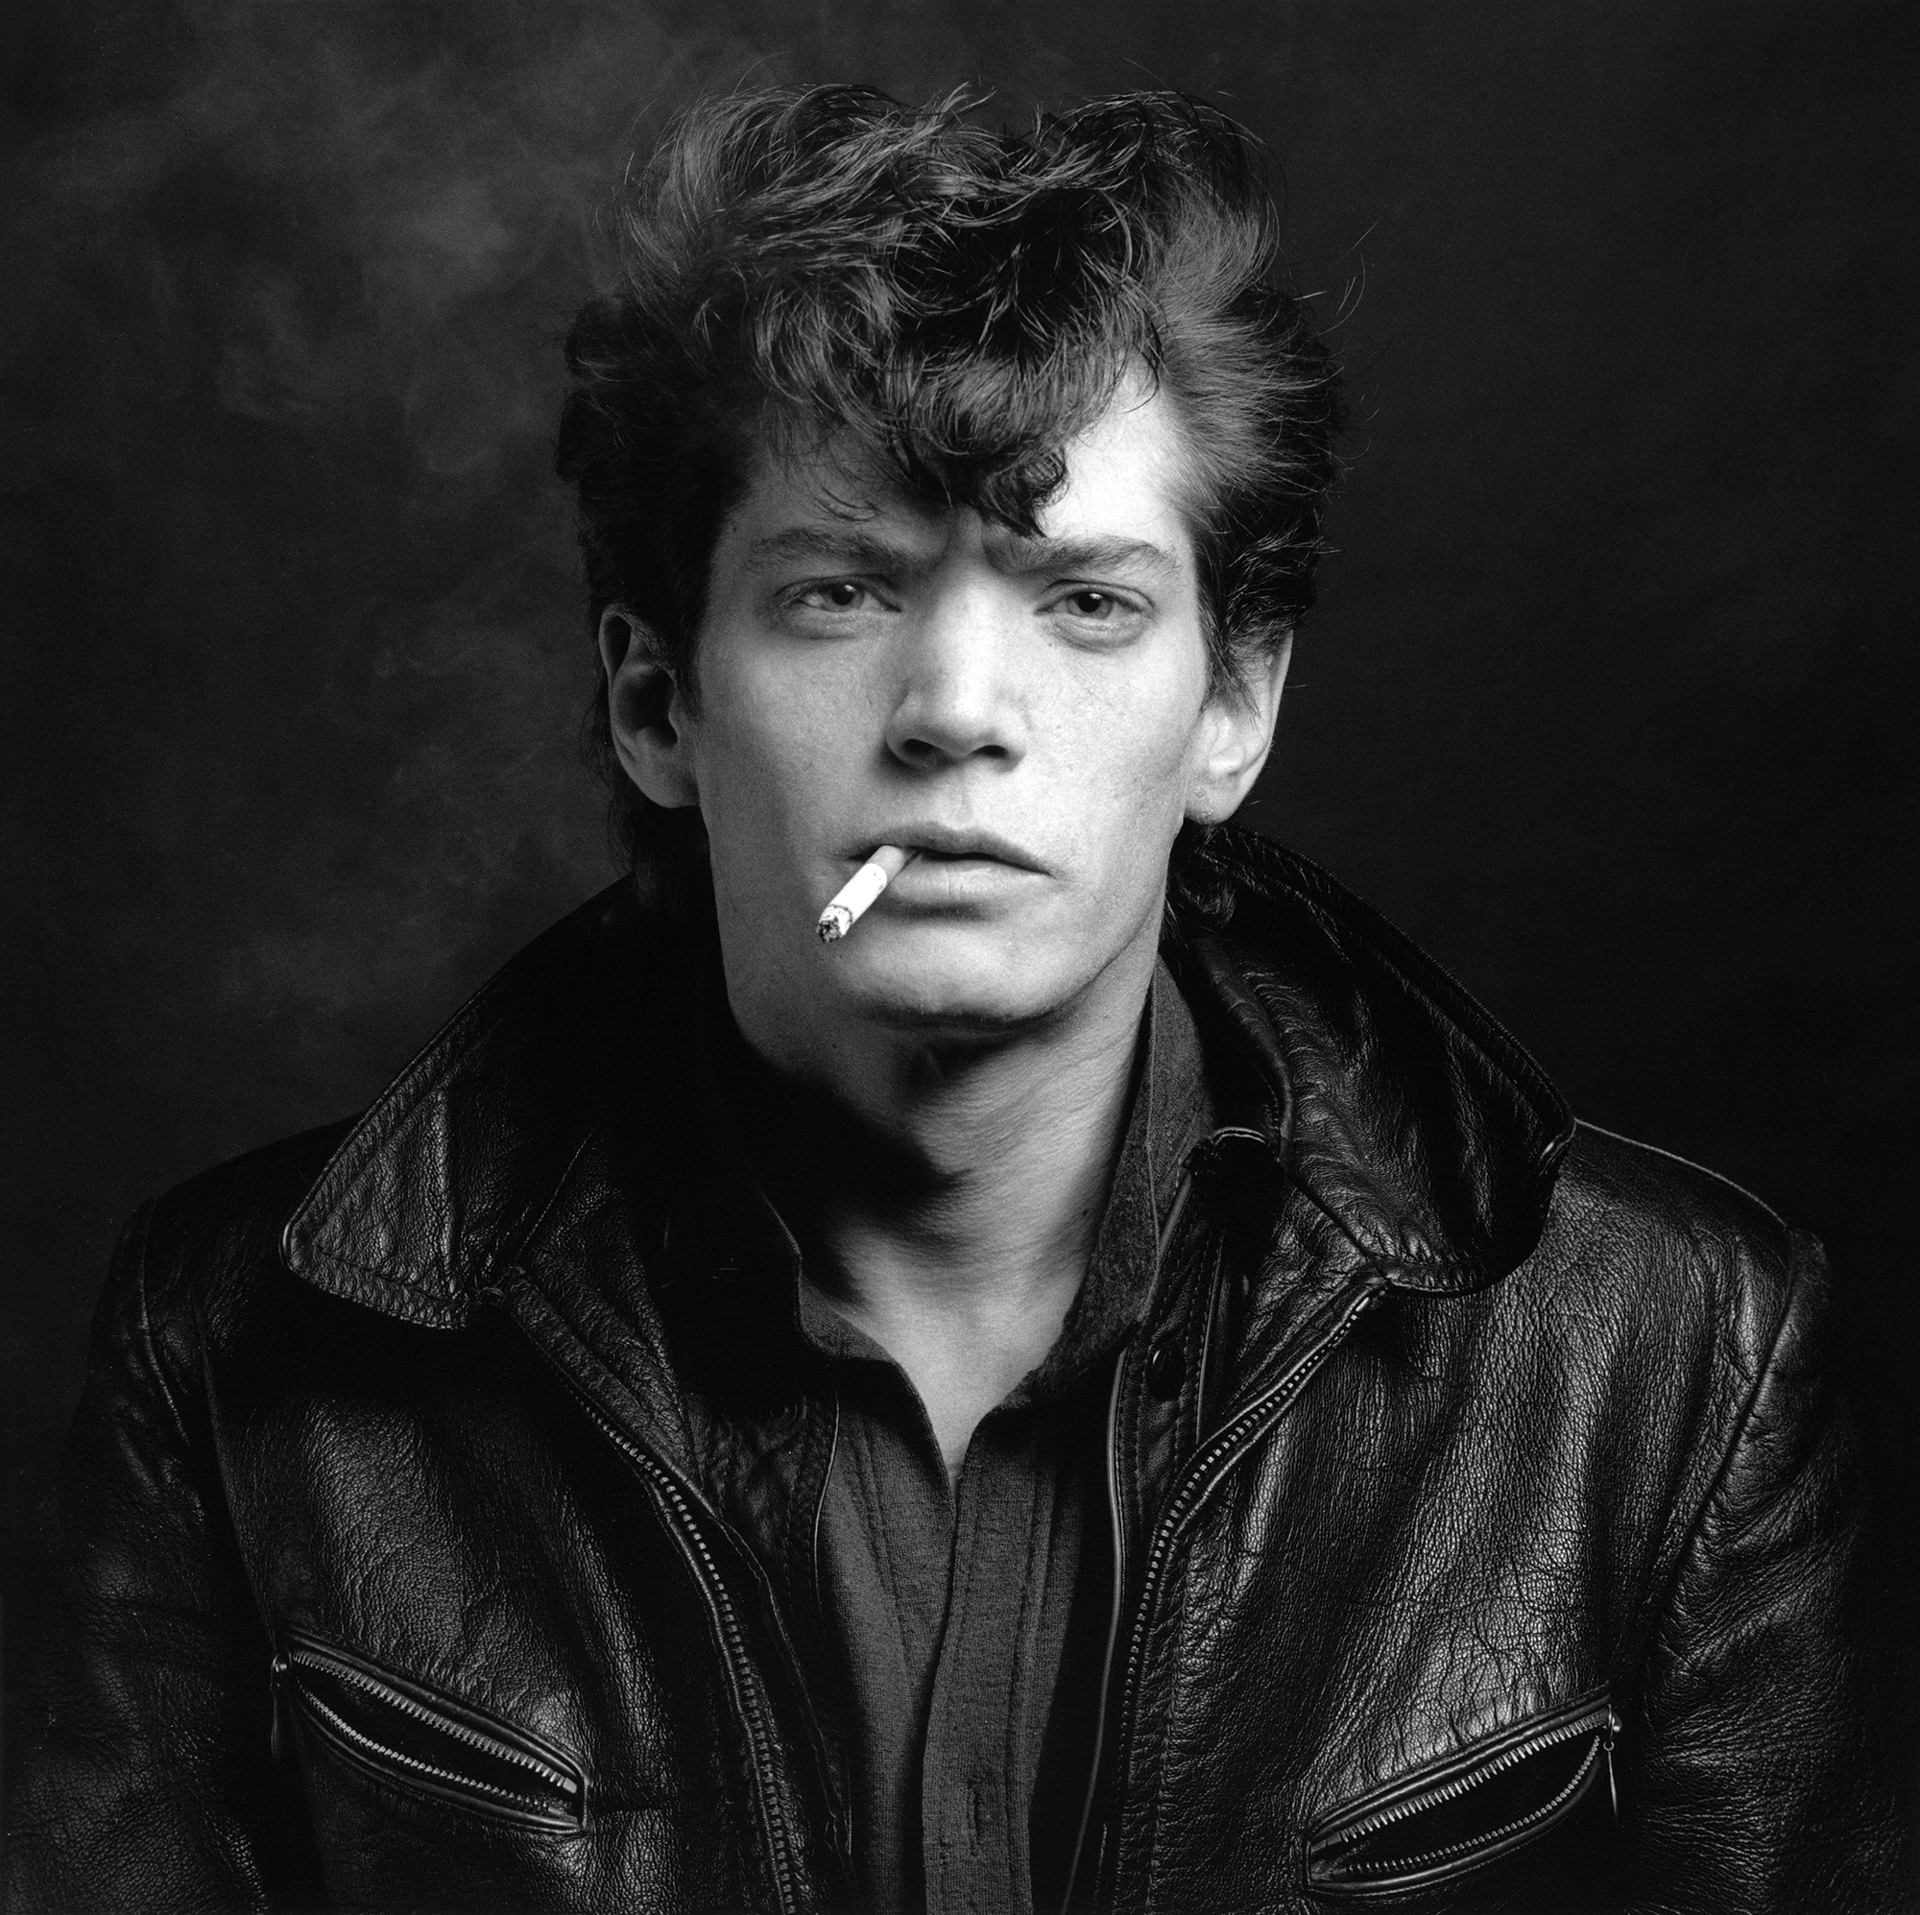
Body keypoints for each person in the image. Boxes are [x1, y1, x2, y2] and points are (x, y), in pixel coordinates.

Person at [5, 84, 1906, 1915]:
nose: (956, 711)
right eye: (840, 591)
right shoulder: (233, 1352)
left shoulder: (1674, 1359)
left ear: (1234, 707)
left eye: (1085, 601)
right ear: (657, 705)